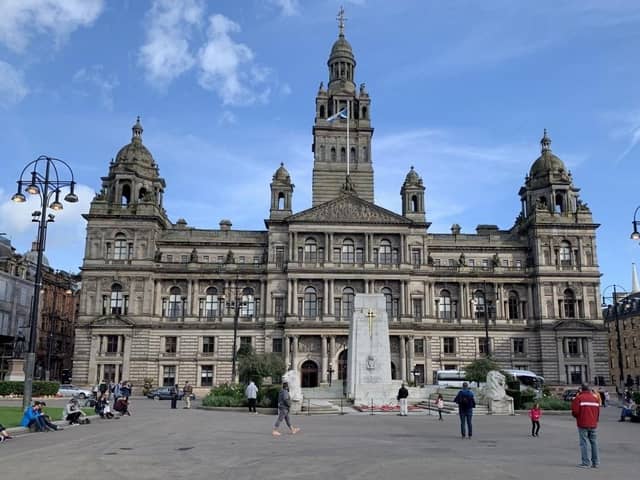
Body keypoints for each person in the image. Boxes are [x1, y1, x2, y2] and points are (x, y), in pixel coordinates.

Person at [571, 383, 600, 469]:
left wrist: (577, 417)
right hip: (593, 423)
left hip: (582, 423)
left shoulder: (579, 398)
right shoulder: (595, 399)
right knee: (594, 442)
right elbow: (598, 412)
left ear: (581, 389)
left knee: (584, 443)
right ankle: (595, 462)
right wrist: (595, 420)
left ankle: (585, 462)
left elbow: (575, 411)